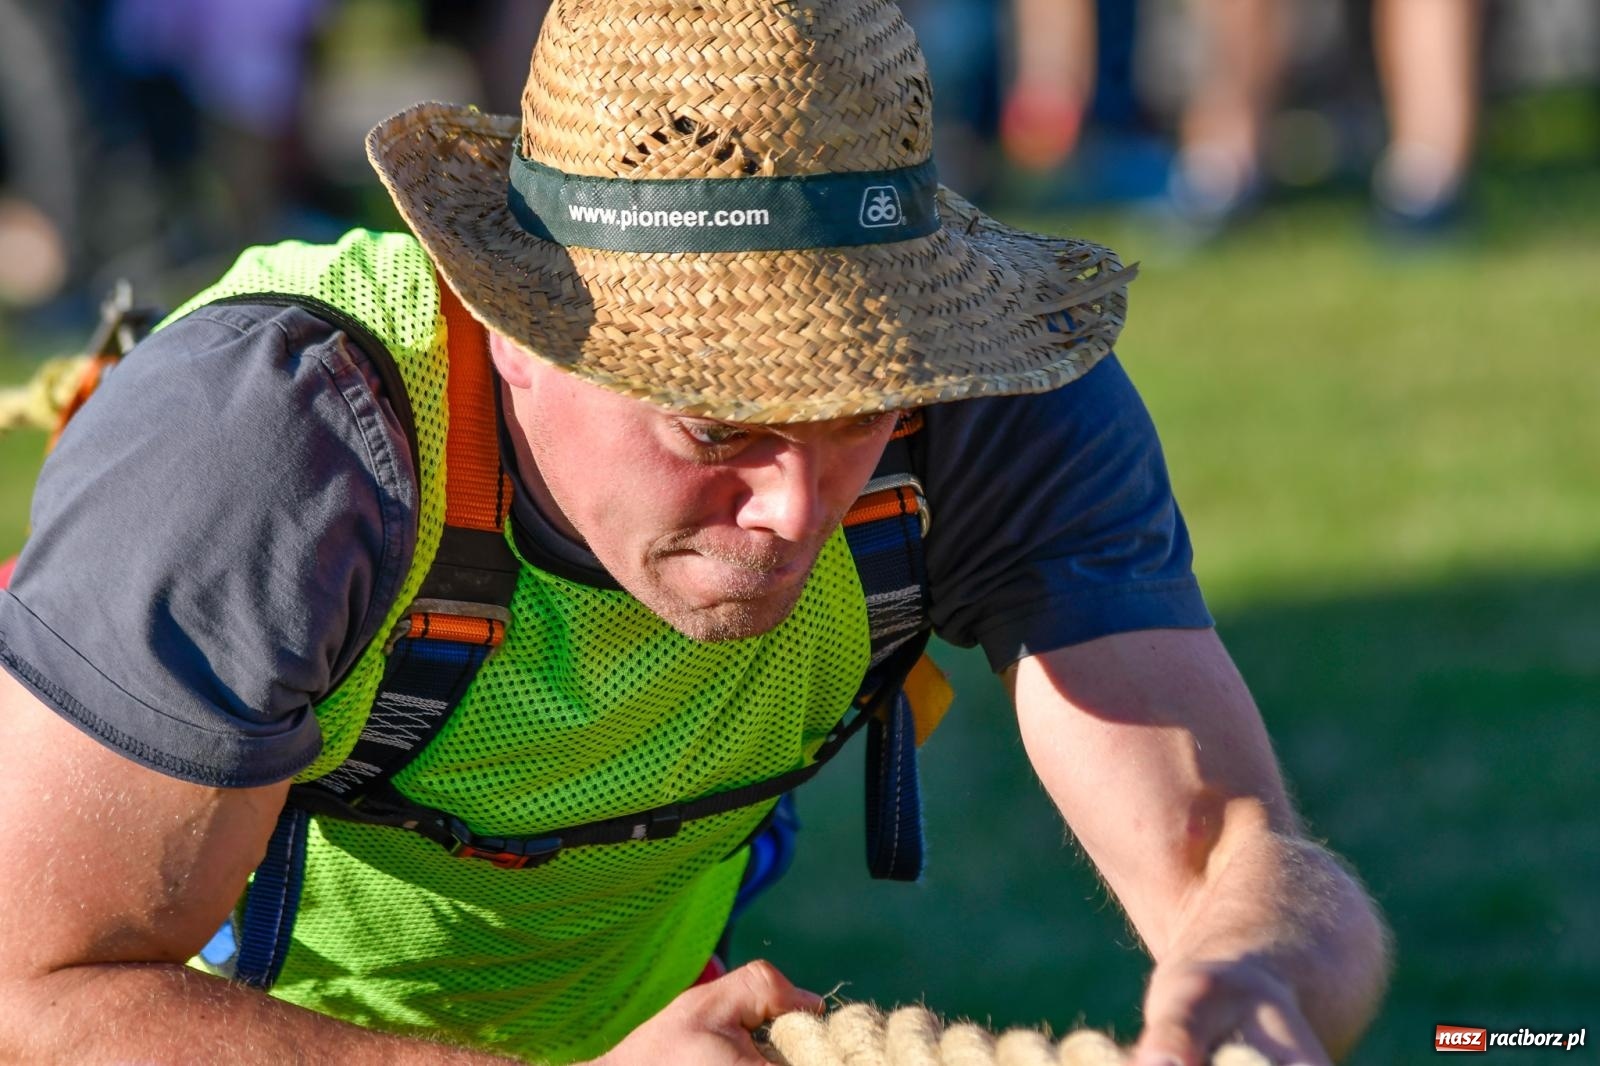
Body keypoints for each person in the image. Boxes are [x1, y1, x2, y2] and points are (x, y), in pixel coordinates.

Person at [0, 1, 1390, 1064]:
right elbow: (36, 995)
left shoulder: (989, 402)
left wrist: (1249, 984)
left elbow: (1236, 855)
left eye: (854, 412)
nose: (793, 510)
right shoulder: (278, 446)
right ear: (513, 325)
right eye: (717, 426)